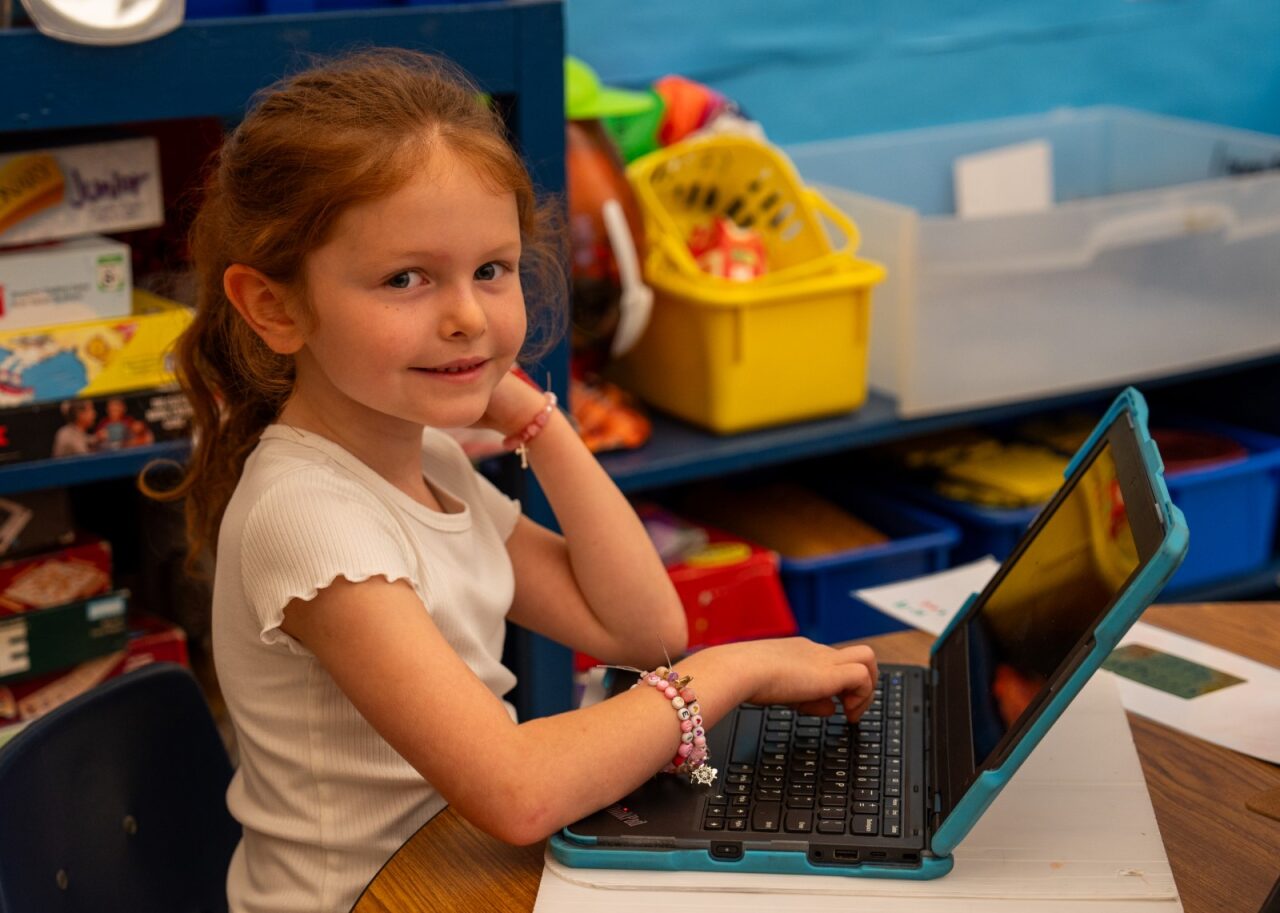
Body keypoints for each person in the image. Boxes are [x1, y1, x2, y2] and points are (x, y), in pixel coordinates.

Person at [145, 49, 878, 913]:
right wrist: (738, 669)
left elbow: (641, 628)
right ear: (275, 308)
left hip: (470, 872)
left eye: (490, 270)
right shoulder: (310, 518)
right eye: (406, 279)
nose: (465, 316)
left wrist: (540, 422)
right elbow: (517, 790)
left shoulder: (427, 459)